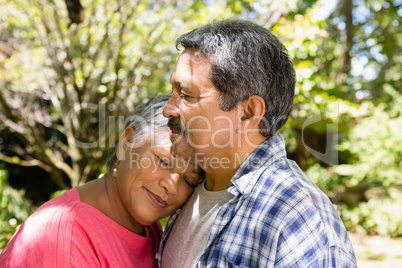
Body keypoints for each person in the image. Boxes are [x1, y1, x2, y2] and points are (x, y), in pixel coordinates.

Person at [159, 20, 357, 267]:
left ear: (249, 112)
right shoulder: (189, 189)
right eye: (173, 93)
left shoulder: (297, 218)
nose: (168, 109)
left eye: (186, 94)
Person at [0, 94, 204, 267]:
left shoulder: (150, 230)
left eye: (189, 180)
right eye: (163, 161)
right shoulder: (67, 235)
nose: (172, 185)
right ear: (126, 144)